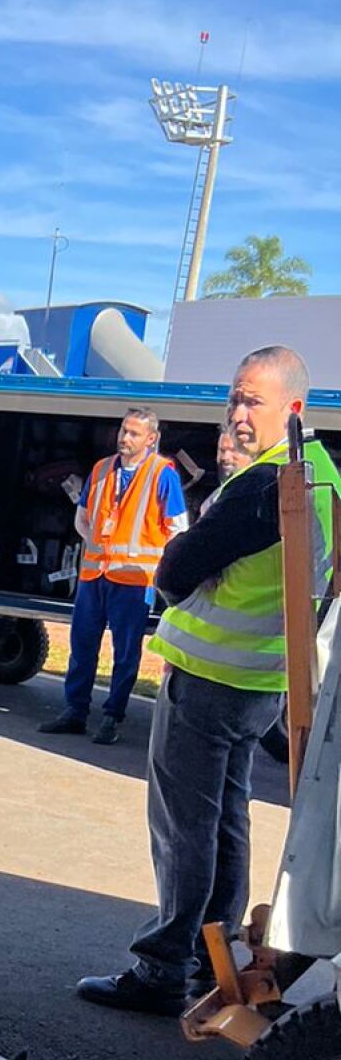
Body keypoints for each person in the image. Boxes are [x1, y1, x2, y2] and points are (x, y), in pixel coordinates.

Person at [77, 346, 341, 1014]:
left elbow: (175, 567)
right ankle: (215, 954)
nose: (239, 414)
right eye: (234, 399)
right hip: (263, 683)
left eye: (252, 400)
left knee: (184, 828)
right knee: (225, 821)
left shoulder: (264, 483)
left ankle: (167, 966)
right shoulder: (322, 475)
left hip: (211, 678)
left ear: (294, 407)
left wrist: (180, 561)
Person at [40, 408, 187, 748]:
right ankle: (75, 712)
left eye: (134, 433)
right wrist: (96, 544)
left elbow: (178, 530)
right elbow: (83, 518)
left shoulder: (163, 473)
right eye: (123, 430)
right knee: (82, 646)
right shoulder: (102, 469)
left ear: (151, 439)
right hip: (95, 574)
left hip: (134, 581)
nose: (125, 438)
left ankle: (111, 716)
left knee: (125, 653)